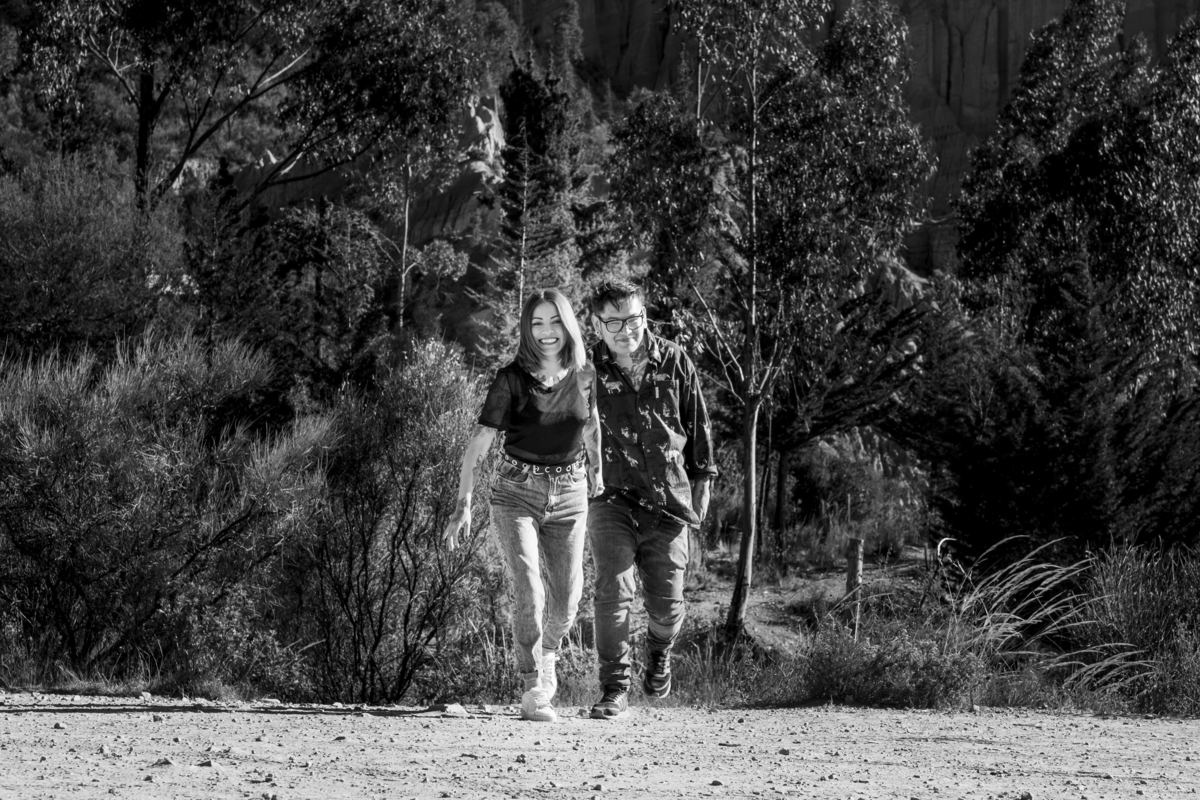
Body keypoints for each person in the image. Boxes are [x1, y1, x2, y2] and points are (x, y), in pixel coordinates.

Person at [444, 289, 603, 723]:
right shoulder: (511, 379)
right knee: (530, 589)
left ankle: (548, 654)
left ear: (567, 324)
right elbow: (479, 444)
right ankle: (535, 685)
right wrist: (464, 503)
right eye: (537, 323)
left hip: (570, 495)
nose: (547, 331)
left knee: (569, 598)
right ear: (527, 330)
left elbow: (591, 427)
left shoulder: (586, 376)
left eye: (554, 321)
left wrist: (597, 472)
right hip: (516, 493)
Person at [585, 280, 717, 720]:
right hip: (611, 499)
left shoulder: (676, 360)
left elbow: (698, 431)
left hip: (669, 502)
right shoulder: (586, 366)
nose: (627, 330)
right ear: (598, 324)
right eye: (615, 322)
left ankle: (659, 653)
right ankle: (614, 689)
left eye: (634, 318)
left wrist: (702, 493)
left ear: (645, 315)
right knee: (612, 592)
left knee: (667, 606)